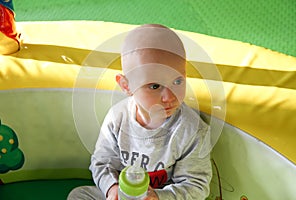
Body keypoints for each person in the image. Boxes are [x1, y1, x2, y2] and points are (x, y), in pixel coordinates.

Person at [68, 24, 212, 200]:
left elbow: (196, 186)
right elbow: (101, 163)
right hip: (123, 194)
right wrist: (112, 189)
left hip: (161, 197)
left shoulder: (192, 130)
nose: (169, 96)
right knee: (79, 195)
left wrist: (159, 197)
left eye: (177, 81)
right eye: (154, 86)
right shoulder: (117, 118)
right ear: (126, 86)